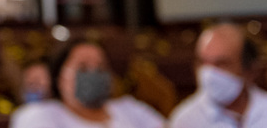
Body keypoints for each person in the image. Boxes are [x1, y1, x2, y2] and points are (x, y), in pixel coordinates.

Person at [10, 40, 164, 128]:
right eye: (82, 67)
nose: (93, 73)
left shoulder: (130, 109)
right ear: (60, 77)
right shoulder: (39, 115)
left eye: (100, 67)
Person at [169, 22, 267, 128]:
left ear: (249, 70)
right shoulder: (185, 121)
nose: (209, 73)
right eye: (203, 62)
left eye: (221, 64)